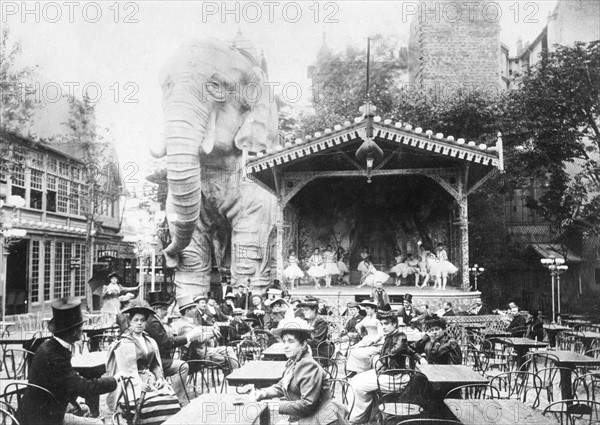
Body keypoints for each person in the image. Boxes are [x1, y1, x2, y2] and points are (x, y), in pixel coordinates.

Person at [16, 298, 119, 425]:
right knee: (98, 424)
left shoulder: (50, 346)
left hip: (38, 408)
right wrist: (115, 380)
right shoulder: (55, 356)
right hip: (42, 419)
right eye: (80, 327)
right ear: (74, 331)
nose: (82, 330)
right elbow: (82, 387)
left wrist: (74, 403)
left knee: (85, 409)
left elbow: (62, 384)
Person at [251, 318, 349, 425]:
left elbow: (307, 405)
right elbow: (282, 385)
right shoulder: (293, 362)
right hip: (307, 417)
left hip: (321, 420)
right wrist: (263, 393)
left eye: (291, 341)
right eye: (284, 341)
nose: (286, 346)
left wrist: (272, 405)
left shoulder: (308, 366)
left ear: (303, 344)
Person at [106, 305, 181, 423]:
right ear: (130, 322)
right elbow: (125, 370)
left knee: (171, 400)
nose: (139, 323)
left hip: (150, 379)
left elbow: (155, 365)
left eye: (142, 320)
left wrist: (160, 377)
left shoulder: (150, 341)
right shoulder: (124, 343)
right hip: (131, 383)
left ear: (146, 323)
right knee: (151, 404)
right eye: (135, 320)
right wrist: (138, 384)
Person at [349, 310, 423, 424]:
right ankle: (360, 415)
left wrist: (381, 359)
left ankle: (357, 419)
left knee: (359, 386)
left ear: (394, 324)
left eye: (386, 324)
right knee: (354, 380)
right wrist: (418, 357)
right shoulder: (391, 336)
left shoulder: (400, 336)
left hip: (396, 377)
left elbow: (396, 350)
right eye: (382, 324)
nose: (383, 327)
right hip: (386, 373)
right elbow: (408, 349)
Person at [145, 291, 200, 406]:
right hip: (156, 361)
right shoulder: (154, 322)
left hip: (157, 358)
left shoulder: (152, 320)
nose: (167, 312)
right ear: (156, 309)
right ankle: (178, 400)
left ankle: (176, 397)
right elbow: (166, 343)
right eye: (164, 309)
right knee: (183, 366)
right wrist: (188, 337)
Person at [346, 300, 384, 375]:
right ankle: (353, 370)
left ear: (373, 309)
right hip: (366, 339)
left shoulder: (378, 319)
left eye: (368, 309)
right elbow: (360, 324)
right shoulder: (367, 317)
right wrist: (358, 327)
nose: (366, 310)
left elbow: (380, 334)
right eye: (365, 309)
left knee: (359, 352)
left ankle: (366, 370)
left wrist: (372, 342)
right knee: (351, 349)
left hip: (376, 343)